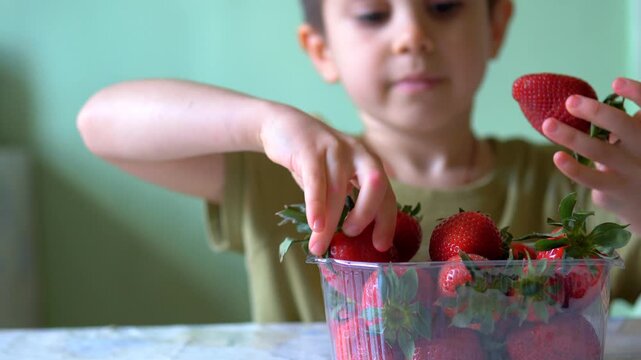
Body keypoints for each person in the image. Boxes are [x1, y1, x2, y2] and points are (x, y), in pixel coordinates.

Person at [77, 0, 641, 323]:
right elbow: (100, 123)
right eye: (373, 14)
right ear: (322, 50)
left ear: (495, 26)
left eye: (442, 7)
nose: (412, 35)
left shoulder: (583, 191)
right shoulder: (294, 178)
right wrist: (266, 124)